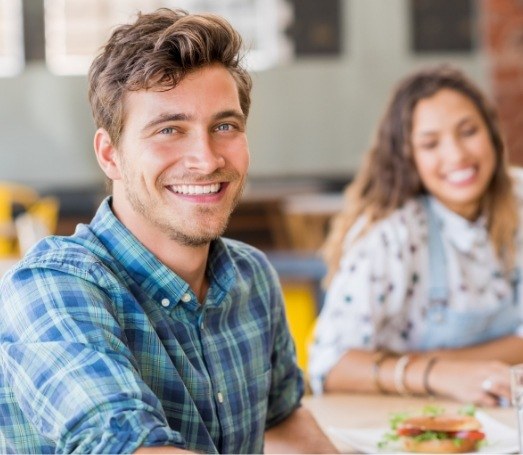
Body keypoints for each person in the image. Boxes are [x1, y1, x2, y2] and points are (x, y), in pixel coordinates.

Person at [0, 9, 338, 454]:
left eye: (224, 126)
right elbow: (127, 446)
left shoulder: (252, 276)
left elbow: (282, 419)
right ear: (110, 154)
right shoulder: (51, 287)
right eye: (169, 129)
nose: (206, 158)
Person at [308, 64, 523, 407]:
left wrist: (449, 360)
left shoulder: (519, 199)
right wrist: (437, 374)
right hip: (414, 423)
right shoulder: (390, 235)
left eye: (468, 131)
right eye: (430, 143)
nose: (456, 155)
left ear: (492, 133)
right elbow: (328, 366)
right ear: (408, 157)